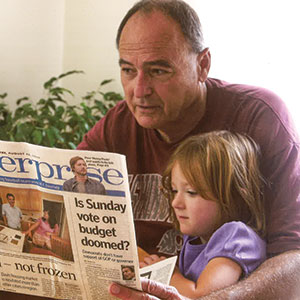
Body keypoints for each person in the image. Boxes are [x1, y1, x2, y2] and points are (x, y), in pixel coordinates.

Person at [81, 0, 299, 298]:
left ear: (203, 65)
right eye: (128, 70)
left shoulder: (259, 117)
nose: (139, 90)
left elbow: (294, 257)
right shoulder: (117, 124)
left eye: (158, 71)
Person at [142, 131, 267, 298]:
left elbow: (201, 296)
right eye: (174, 190)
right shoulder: (195, 237)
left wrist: (168, 274)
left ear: (235, 196)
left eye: (192, 192)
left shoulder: (237, 237)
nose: (175, 203)